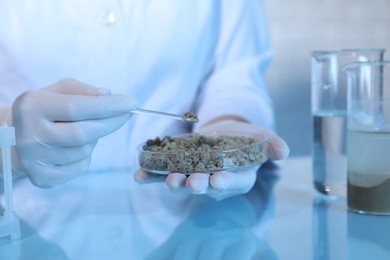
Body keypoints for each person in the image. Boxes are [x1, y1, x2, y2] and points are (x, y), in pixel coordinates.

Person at [0, 0, 289, 201]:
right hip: (27, 217)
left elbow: (233, 72)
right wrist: (6, 138)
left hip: (182, 218)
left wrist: (226, 121)